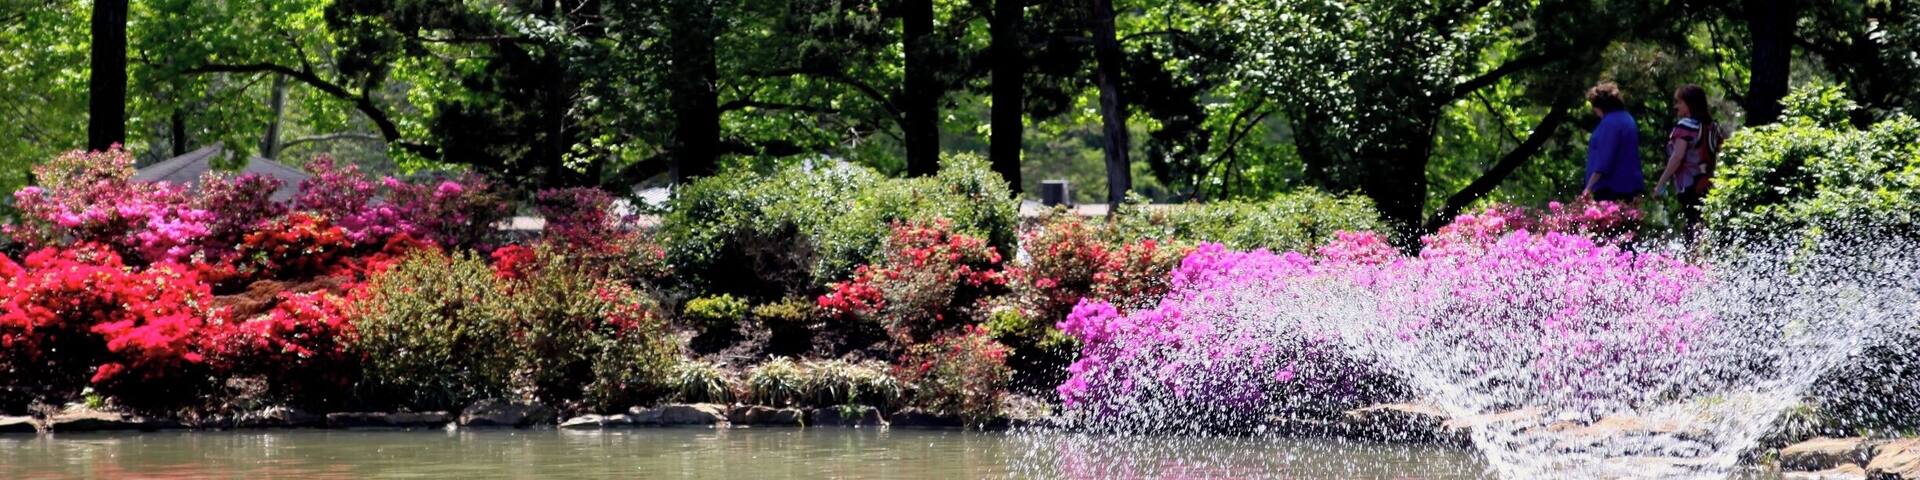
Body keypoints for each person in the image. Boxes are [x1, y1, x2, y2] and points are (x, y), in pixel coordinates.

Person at [1652, 84, 1722, 240]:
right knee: (1701, 225)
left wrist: (1661, 184)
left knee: (1692, 226)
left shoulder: (1685, 126)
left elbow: (1677, 157)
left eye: (1679, 102)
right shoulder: (1712, 127)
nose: (1676, 107)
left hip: (1690, 185)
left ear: (1690, 104)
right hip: (1708, 183)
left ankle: (1692, 262)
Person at [1582, 82, 1644, 202]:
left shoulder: (1609, 123)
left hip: (1610, 188)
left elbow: (1604, 159)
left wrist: (1589, 188)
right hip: (1630, 185)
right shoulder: (1627, 119)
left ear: (1599, 106)